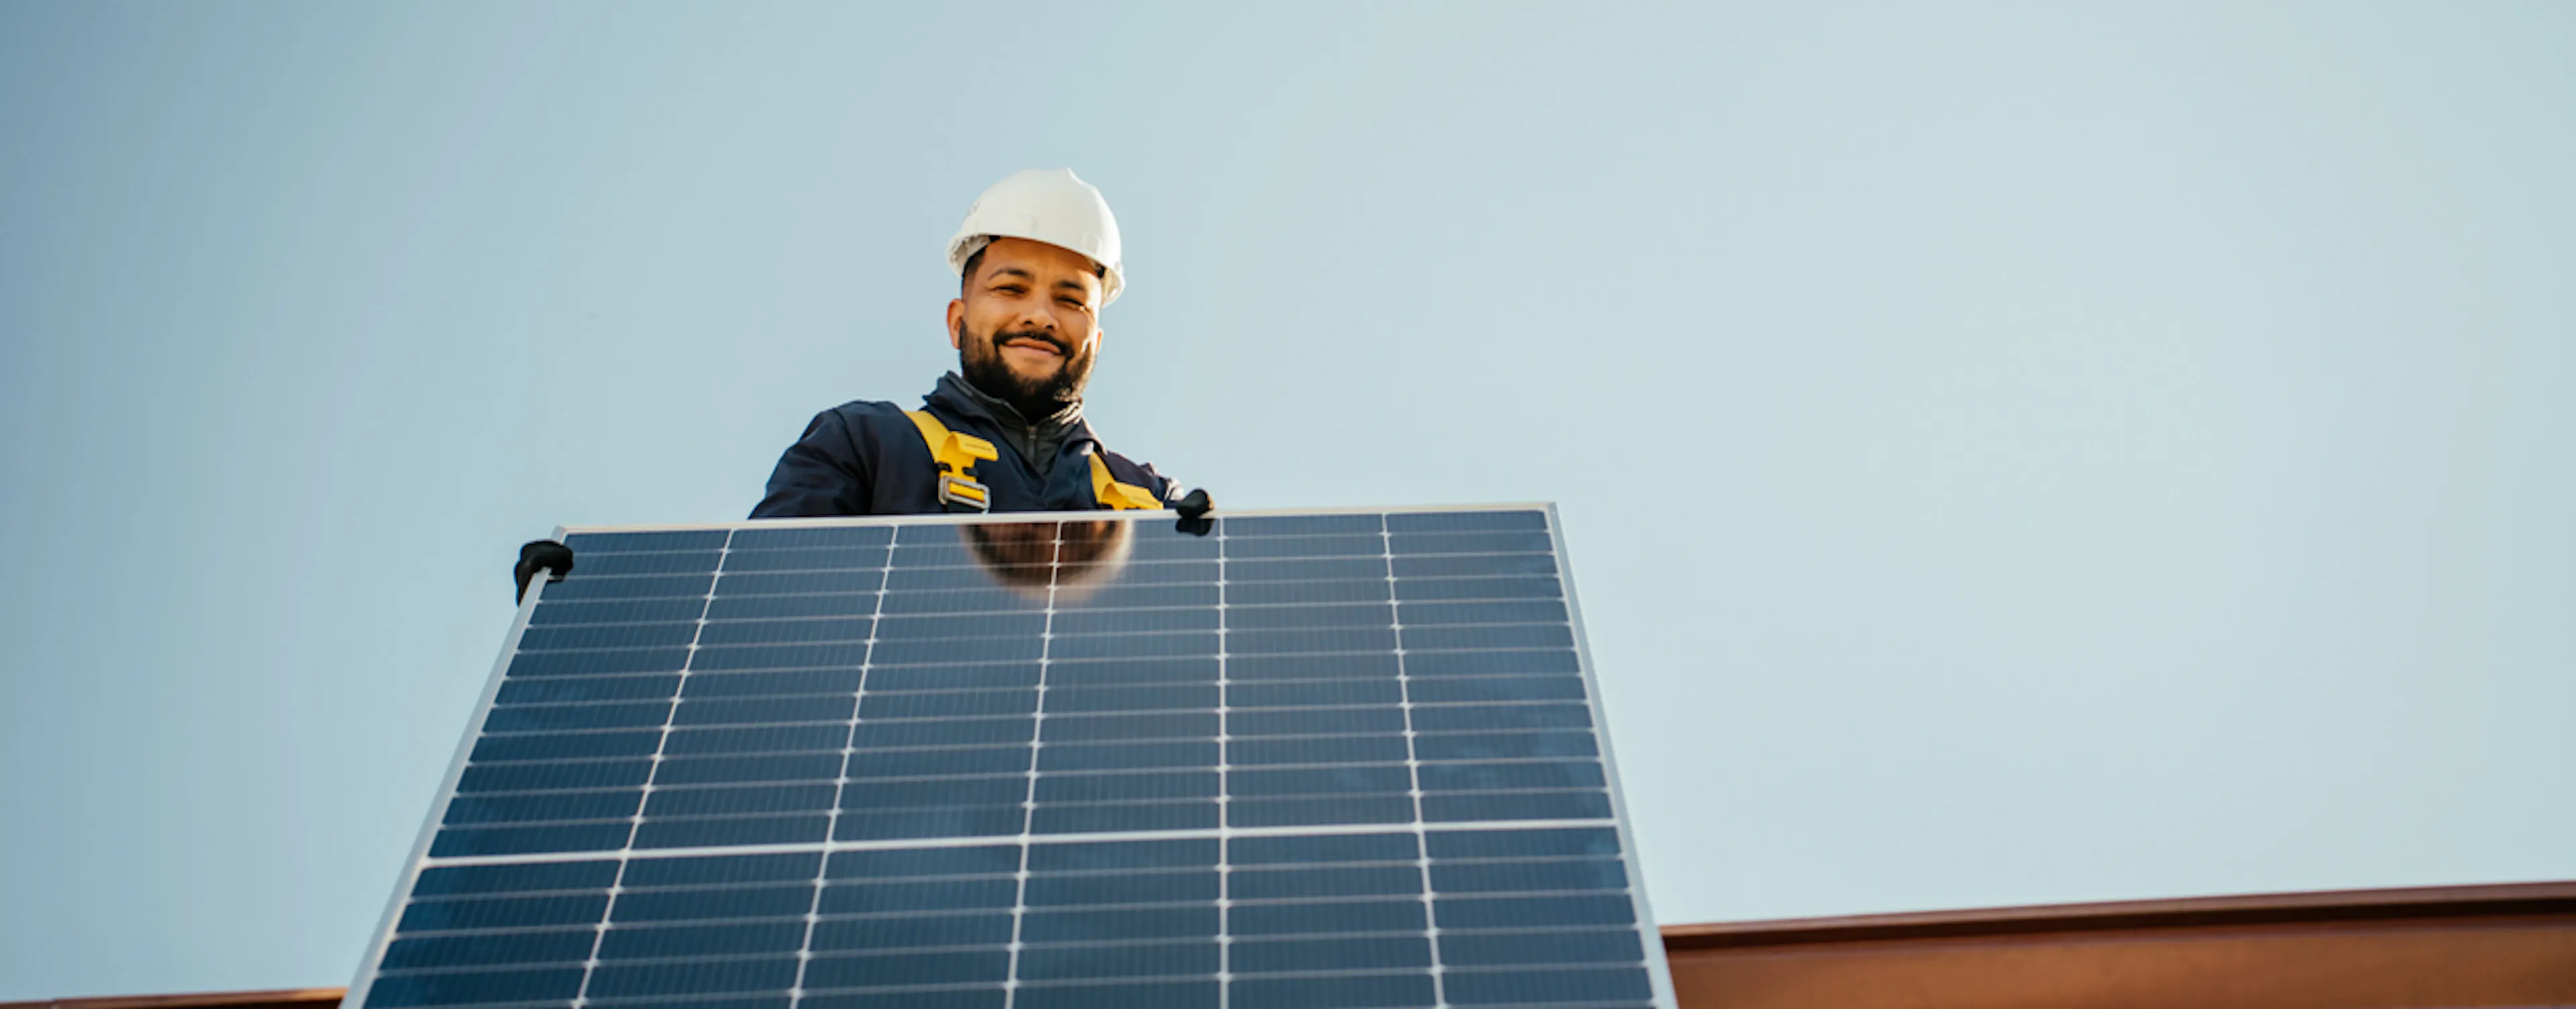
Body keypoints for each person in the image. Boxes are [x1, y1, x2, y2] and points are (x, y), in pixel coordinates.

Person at [749, 168, 1205, 519]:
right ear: (957, 322)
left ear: (1097, 342)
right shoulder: (863, 446)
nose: (1041, 317)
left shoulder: (1152, 502)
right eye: (1011, 289)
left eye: (1070, 300)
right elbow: (773, 615)